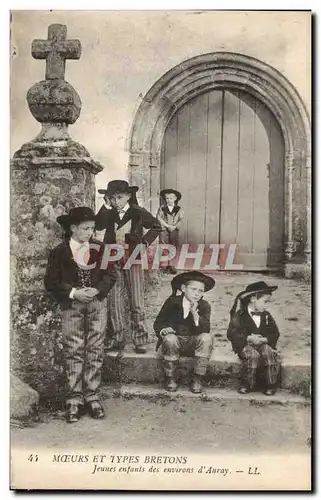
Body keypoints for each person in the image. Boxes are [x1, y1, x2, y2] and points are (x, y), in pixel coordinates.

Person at [44, 207, 116, 423]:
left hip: (97, 304)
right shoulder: (60, 252)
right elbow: (51, 282)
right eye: (85, 229)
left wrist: (96, 290)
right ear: (73, 228)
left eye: (92, 229)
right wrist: (74, 292)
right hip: (72, 306)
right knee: (74, 349)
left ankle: (92, 396)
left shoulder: (100, 248)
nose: (89, 233)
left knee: (95, 347)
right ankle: (74, 399)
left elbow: (111, 274)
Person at [95, 180, 162, 353]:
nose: (117, 202)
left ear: (128, 196)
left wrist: (145, 242)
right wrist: (105, 206)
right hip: (112, 259)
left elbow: (156, 226)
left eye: (120, 197)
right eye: (112, 198)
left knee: (136, 300)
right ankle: (118, 338)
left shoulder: (137, 212)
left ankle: (139, 339)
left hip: (133, 257)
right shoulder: (108, 213)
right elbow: (98, 225)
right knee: (115, 299)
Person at [154, 271, 215, 393]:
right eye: (193, 289)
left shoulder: (204, 305)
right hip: (175, 342)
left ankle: (197, 378)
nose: (197, 293)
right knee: (170, 339)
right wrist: (163, 330)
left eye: (200, 291)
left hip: (193, 343)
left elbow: (206, 328)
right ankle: (170, 377)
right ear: (183, 288)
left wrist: (195, 314)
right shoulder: (172, 302)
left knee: (207, 338)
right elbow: (158, 322)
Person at [227, 281, 281, 396]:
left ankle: (271, 384)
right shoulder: (240, 315)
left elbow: (275, 333)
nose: (267, 306)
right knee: (252, 355)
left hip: (262, 343)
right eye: (265, 302)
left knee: (268, 353)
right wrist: (248, 338)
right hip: (246, 344)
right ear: (252, 299)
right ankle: (247, 384)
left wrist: (264, 340)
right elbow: (232, 333)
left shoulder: (266, 315)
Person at [156, 188, 184, 274]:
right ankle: (164, 265)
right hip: (164, 230)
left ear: (175, 199)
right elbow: (159, 218)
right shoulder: (162, 208)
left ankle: (172, 265)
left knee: (173, 247)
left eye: (171, 198)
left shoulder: (178, 209)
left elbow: (181, 220)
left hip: (174, 230)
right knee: (164, 247)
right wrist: (167, 226)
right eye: (167, 198)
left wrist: (174, 226)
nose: (169, 200)